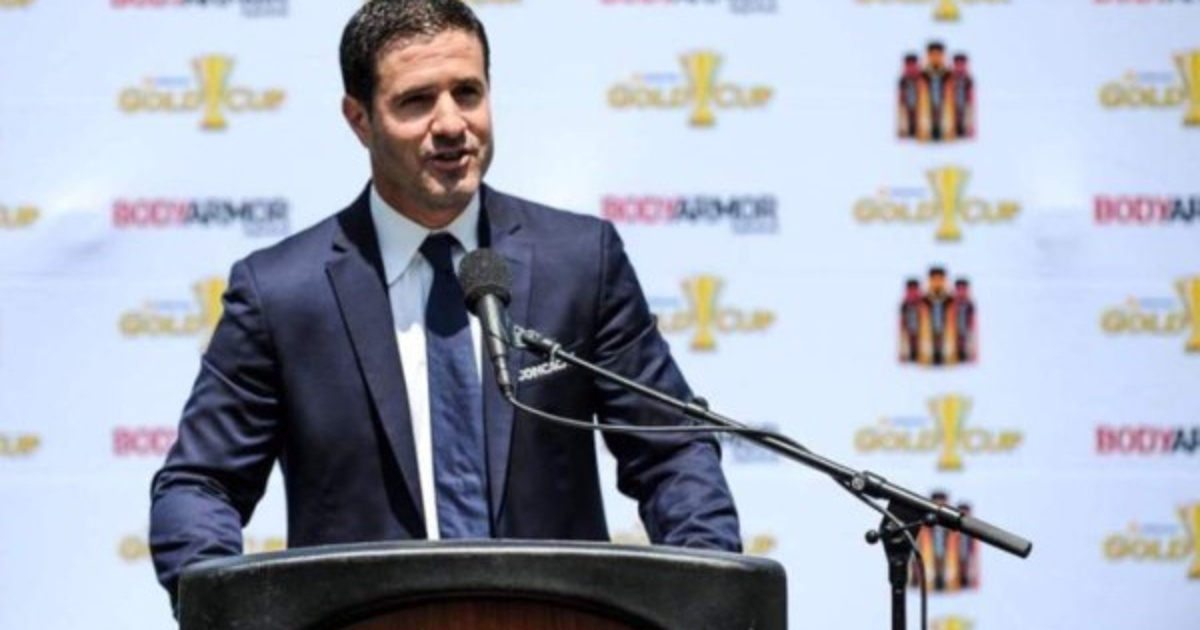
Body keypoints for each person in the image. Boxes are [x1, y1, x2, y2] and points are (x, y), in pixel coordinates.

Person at [148, 0, 740, 610]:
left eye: (468, 92)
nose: (453, 123)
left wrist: (709, 601)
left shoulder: (580, 262)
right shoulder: (280, 293)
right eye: (417, 101)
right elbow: (200, 485)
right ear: (359, 120)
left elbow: (672, 452)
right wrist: (231, 613)